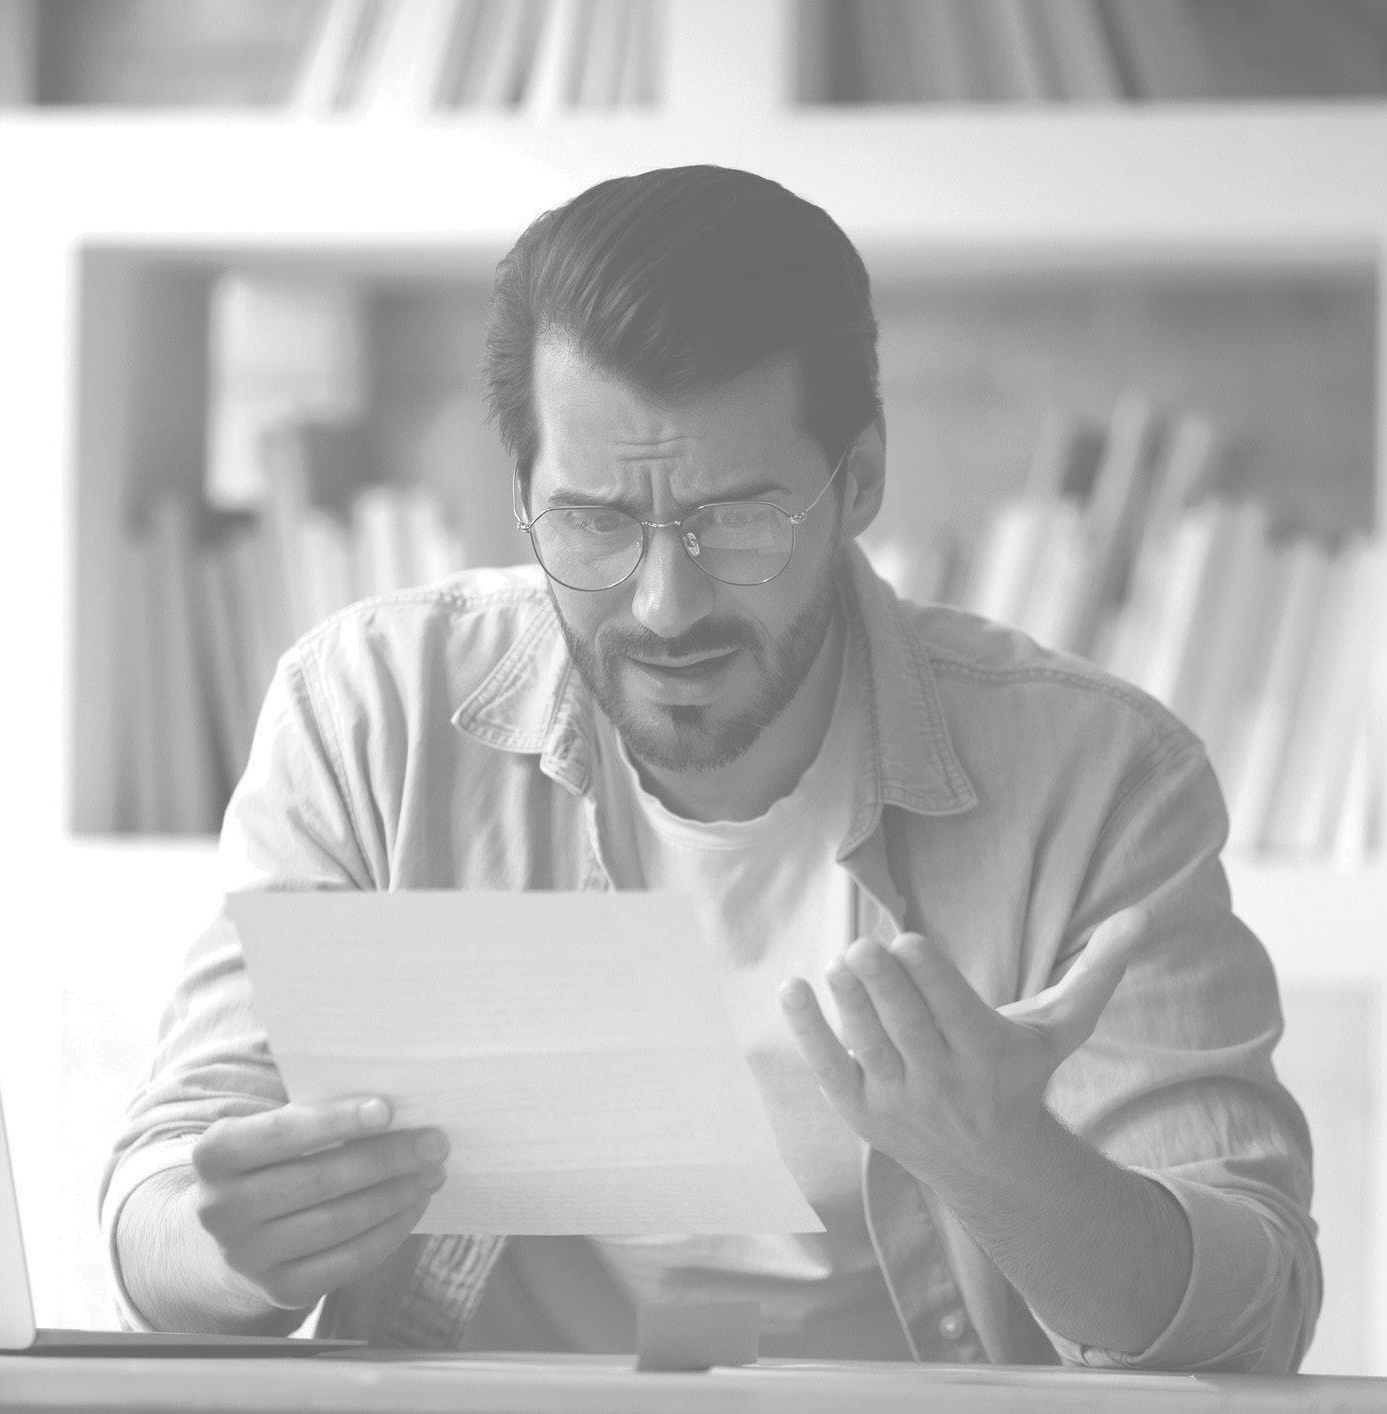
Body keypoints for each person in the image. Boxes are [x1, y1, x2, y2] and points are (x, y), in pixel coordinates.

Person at [102, 164, 1320, 1371]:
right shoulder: (371, 713)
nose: (663, 605)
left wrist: (1010, 1167)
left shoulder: (1101, 777)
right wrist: (235, 1246)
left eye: (735, 518)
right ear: (522, 492)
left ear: (858, 480)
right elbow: (159, 1200)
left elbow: (1255, 1314)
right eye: (594, 521)